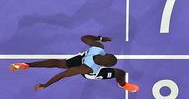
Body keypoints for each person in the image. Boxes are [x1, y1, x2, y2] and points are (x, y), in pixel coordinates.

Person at [10, 34, 139, 92]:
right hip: (89, 70)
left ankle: (27, 65)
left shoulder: (99, 48)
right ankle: (123, 85)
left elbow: (84, 38)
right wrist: (45, 85)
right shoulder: (87, 70)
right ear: (105, 65)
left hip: (82, 58)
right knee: (120, 73)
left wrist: (100, 38)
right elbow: (64, 75)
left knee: (56, 63)